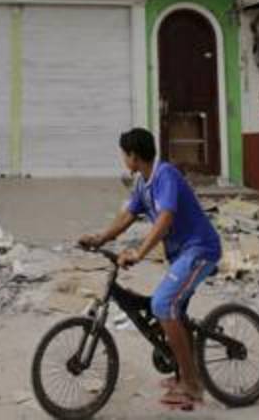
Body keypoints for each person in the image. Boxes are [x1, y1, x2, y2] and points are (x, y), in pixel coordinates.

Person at [79, 128, 222, 411]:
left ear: (133, 155)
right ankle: (183, 372)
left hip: (200, 250)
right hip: (181, 254)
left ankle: (192, 385)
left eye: (124, 154)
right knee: (172, 311)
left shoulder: (165, 175)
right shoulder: (143, 185)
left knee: (162, 303)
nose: (122, 159)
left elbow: (166, 217)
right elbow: (128, 216)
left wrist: (139, 252)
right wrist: (100, 239)